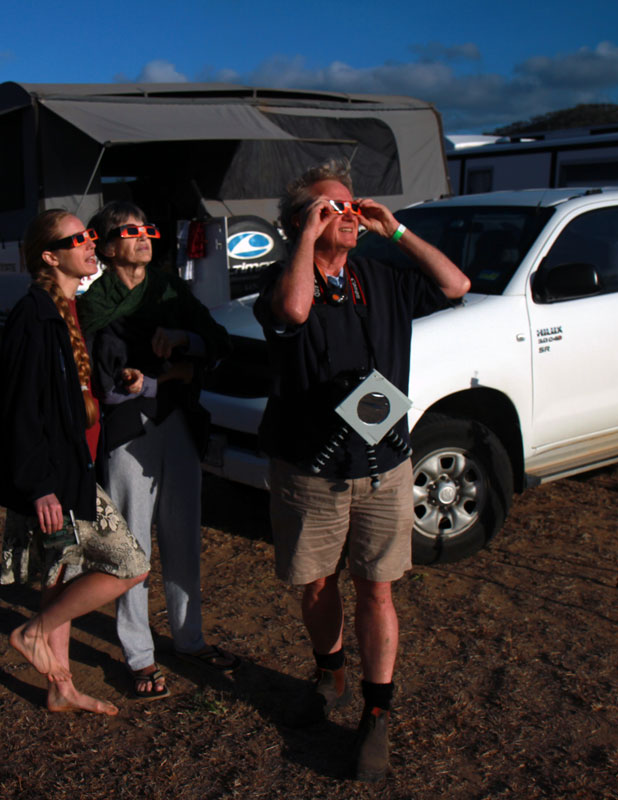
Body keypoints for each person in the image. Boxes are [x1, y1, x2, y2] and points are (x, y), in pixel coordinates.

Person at [253, 160, 469, 781]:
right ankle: (331, 674)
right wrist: (303, 240)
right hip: (310, 468)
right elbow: (294, 313)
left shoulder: (381, 276)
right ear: (301, 223)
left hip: (383, 465)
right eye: (331, 207)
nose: (347, 214)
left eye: (351, 206)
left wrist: (396, 231)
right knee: (317, 583)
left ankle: (377, 710)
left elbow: (456, 285)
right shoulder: (283, 281)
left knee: (376, 586)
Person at [0, 209, 151, 716]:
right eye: (76, 238)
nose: (88, 242)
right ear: (50, 256)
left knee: (60, 575)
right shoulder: (33, 317)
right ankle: (33, 633)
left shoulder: (66, 307)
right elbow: (17, 410)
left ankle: (60, 686)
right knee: (130, 565)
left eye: (89, 235)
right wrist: (39, 486)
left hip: (67, 470)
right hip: (54, 481)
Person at [78, 200, 237, 700]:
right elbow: (108, 377)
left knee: (183, 535)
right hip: (129, 431)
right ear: (104, 247)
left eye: (146, 228)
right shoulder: (94, 302)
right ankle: (139, 656)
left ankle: (190, 639)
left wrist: (184, 336)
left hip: (179, 423)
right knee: (133, 547)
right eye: (128, 231)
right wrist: (172, 373)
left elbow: (217, 340)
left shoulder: (169, 286)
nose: (143, 237)